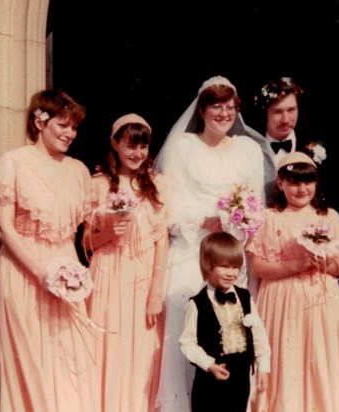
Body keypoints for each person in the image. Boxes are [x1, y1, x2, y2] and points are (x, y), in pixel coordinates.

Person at [154, 75, 265, 411]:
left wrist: (239, 220)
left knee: (231, 328)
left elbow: (255, 202)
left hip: (231, 251)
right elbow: (169, 205)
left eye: (230, 107)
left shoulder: (248, 149)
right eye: (216, 106)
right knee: (190, 323)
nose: (224, 113)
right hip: (193, 249)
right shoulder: (183, 147)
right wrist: (207, 221)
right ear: (201, 110)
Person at [0, 89, 98, 411]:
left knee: (71, 362)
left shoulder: (78, 170)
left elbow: (86, 233)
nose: (70, 134)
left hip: (67, 274)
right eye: (63, 125)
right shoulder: (14, 162)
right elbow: (4, 228)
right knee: (34, 364)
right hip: (25, 273)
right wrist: (42, 273)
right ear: (40, 121)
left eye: (74, 128)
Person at [245, 151, 339, 412]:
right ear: (280, 184)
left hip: (322, 304)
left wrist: (329, 264)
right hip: (281, 301)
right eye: (294, 182)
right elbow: (257, 266)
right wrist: (296, 265)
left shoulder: (328, 216)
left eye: (307, 182)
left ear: (316, 183)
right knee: (287, 361)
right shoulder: (269, 218)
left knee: (321, 359)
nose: (301, 189)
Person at [83, 113, 169, 411]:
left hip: (143, 279)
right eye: (130, 145)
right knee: (109, 350)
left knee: (143, 353)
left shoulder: (157, 186)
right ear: (114, 143)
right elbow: (85, 243)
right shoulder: (97, 185)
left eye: (143, 146)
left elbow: (161, 241)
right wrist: (107, 232)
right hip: (107, 275)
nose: (137, 153)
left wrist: (156, 293)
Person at [179, 232, 270, 412]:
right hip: (210, 381)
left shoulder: (245, 297)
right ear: (207, 266)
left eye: (236, 267)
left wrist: (263, 367)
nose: (231, 273)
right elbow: (187, 343)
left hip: (241, 378)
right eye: (224, 266)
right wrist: (209, 364)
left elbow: (259, 334)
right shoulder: (197, 304)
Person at [249, 76, 326, 202]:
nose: (285, 119)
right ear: (264, 113)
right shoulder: (251, 150)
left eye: (291, 110)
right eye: (277, 112)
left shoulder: (316, 148)